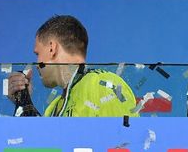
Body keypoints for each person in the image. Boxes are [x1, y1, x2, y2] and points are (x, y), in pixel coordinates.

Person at [7, 15, 136, 117]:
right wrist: (24, 100)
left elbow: (125, 142)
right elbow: (43, 147)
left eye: (38, 54)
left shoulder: (103, 84)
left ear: (52, 48)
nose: (37, 64)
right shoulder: (53, 107)